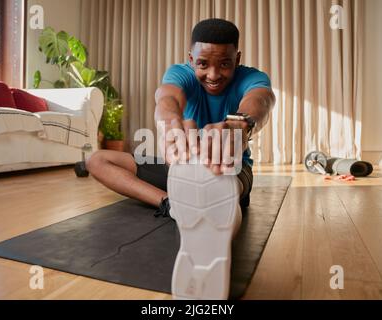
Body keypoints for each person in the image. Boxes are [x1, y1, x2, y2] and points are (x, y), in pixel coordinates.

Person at [87, 18, 275, 299]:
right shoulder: (180, 73)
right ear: (191, 60)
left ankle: (217, 220)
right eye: (203, 64)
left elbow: (261, 100)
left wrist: (239, 124)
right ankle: (171, 203)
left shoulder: (252, 77)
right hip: (183, 167)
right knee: (96, 160)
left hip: (231, 169)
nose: (213, 74)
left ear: (237, 59)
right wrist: (168, 125)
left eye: (224, 64)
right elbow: (166, 99)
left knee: (220, 181)